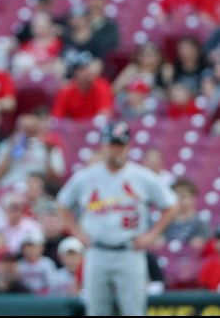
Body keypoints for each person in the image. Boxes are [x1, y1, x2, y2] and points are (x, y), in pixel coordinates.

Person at [58, 121, 178, 316]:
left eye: (120, 145)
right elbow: (63, 205)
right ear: (103, 145)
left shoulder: (141, 176)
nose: (116, 150)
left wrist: (151, 235)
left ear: (128, 146)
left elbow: (171, 205)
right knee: (96, 310)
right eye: (112, 144)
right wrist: (77, 233)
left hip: (129, 251)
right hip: (97, 251)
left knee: (133, 311)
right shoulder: (86, 177)